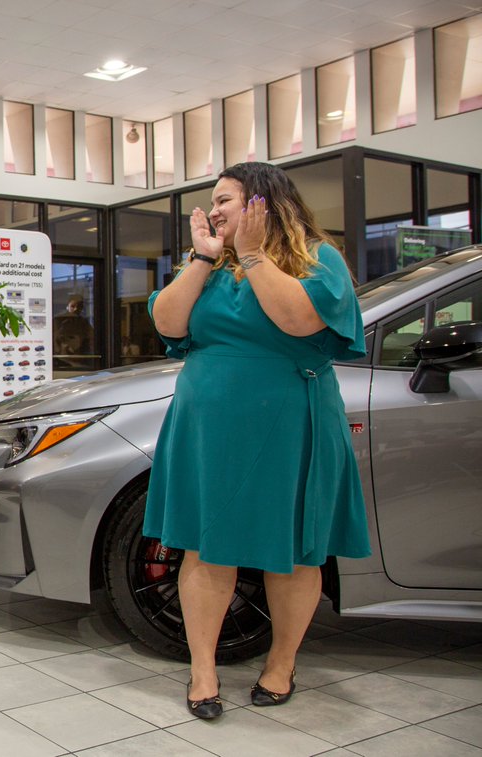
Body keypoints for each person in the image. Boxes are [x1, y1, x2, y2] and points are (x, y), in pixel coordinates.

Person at [144, 161, 370, 719]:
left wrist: (251, 254)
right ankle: (202, 670)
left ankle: (282, 663)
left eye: (225, 200)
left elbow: (297, 319)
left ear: (263, 202)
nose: (214, 210)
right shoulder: (207, 265)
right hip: (209, 426)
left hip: (290, 419)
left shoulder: (318, 258)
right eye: (212, 201)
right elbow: (169, 323)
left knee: (292, 549)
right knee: (205, 543)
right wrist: (203, 256)